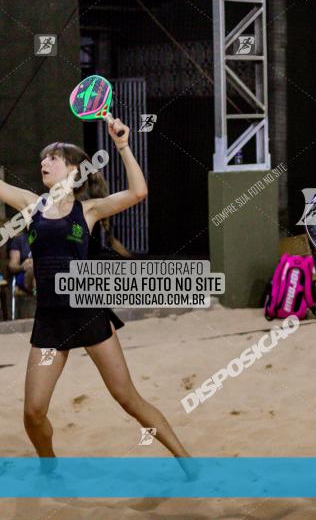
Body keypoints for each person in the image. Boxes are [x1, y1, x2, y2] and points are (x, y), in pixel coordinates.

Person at [0, 114, 192, 474]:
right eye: (43, 158)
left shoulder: (87, 211)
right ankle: (49, 467)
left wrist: (121, 144)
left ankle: (188, 463)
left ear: (73, 170)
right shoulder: (31, 205)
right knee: (33, 412)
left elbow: (139, 192)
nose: (44, 162)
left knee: (127, 398)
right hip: (51, 324)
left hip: (89, 315)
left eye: (53, 158)